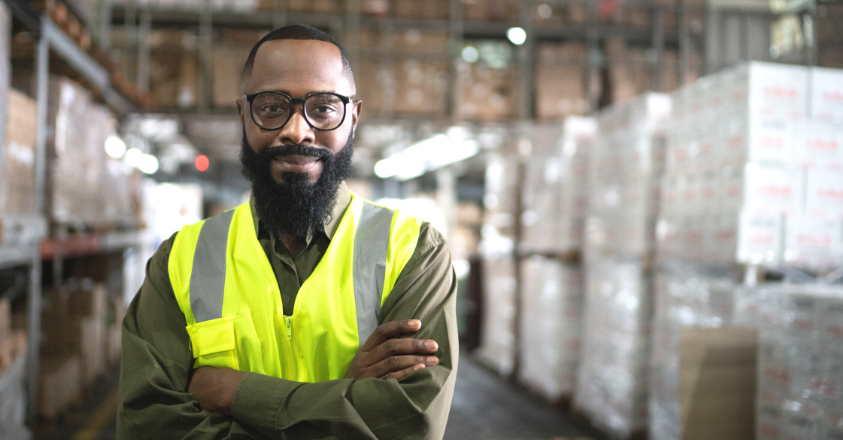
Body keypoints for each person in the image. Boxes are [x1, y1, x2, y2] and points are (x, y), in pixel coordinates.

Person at [117, 24, 458, 439]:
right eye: (273, 107)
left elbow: (409, 424)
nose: (297, 130)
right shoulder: (181, 260)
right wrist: (345, 397)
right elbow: (148, 425)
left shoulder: (413, 253)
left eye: (324, 107)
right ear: (244, 115)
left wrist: (236, 393)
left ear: (353, 117)